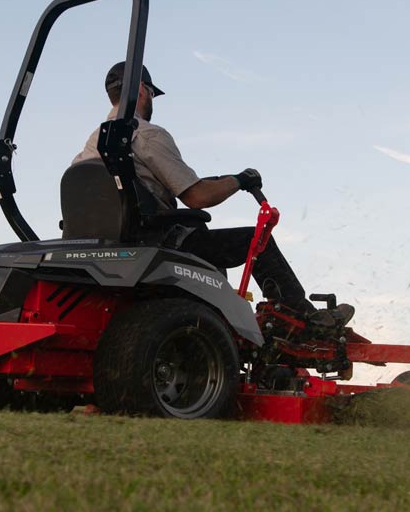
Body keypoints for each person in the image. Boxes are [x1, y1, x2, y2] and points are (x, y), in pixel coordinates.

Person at [73, 62, 353, 328]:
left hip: (109, 246)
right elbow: (197, 197)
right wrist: (240, 180)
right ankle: (303, 320)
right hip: (159, 244)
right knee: (255, 240)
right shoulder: (147, 136)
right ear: (143, 90)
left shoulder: (89, 148)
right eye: (152, 95)